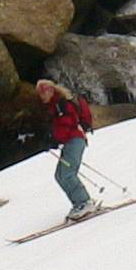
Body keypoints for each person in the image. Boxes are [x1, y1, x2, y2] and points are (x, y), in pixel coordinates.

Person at [36, 79, 97, 220]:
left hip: (75, 141)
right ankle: (78, 204)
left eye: (43, 92)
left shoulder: (61, 104)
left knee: (67, 173)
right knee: (60, 175)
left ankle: (84, 202)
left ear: (51, 90)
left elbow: (66, 124)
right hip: (70, 142)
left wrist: (53, 140)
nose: (42, 96)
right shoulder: (54, 106)